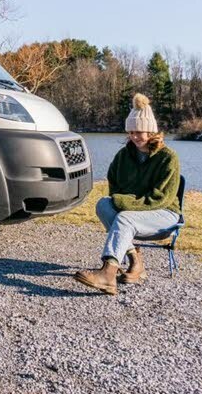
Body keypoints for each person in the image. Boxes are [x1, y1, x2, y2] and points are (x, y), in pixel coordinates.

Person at [74, 93, 181, 295]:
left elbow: (161, 198)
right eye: (131, 131)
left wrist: (123, 203)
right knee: (103, 204)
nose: (134, 136)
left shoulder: (168, 158)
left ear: (151, 131)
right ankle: (135, 260)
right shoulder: (124, 155)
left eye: (139, 131)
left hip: (165, 213)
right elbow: (114, 189)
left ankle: (108, 273)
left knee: (124, 217)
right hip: (134, 214)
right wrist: (120, 201)